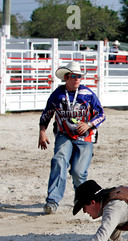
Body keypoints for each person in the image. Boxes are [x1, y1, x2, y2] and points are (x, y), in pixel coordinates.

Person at [38, 62, 106, 215]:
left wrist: (89, 124)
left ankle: (81, 199)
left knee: (78, 171)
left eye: (79, 77)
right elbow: (47, 113)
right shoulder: (57, 95)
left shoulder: (88, 94)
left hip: (86, 137)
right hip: (64, 135)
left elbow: (101, 115)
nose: (77, 79)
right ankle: (52, 200)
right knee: (58, 160)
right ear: (66, 77)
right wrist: (42, 131)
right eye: (74, 76)